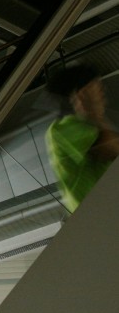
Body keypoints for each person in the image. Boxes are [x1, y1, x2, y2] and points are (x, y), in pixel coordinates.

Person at [46, 64, 119, 213]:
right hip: (96, 215)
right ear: (80, 94)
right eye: (96, 86)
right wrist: (96, 113)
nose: (102, 91)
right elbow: (111, 149)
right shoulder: (61, 129)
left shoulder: (88, 126)